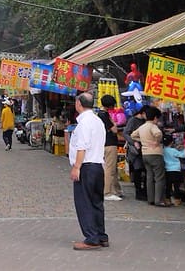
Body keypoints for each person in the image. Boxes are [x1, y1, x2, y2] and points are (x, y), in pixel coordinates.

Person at [68, 92, 108, 250]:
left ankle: (91, 238)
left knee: (84, 202)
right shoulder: (98, 121)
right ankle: (101, 235)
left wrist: (76, 167)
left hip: (86, 166)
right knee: (97, 202)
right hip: (98, 165)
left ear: (79, 103)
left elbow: (82, 146)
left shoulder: (84, 123)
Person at [131, 106, 167, 207]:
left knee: (149, 176)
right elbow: (158, 134)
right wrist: (156, 142)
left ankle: (150, 198)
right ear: (155, 118)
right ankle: (158, 200)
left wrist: (142, 140)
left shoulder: (142, 127)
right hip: (155, 153)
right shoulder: (153, 126)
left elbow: (133, 135)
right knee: (159, 177)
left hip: (145, 153)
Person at [97, 95, 123, 201]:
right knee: (110, 169)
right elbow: (114, 130)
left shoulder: (99, 114)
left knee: (113, 168)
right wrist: (115, 124)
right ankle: (107, 192)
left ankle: (117, 190)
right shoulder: (104, 115)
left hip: (104, 143)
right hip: (109, 143)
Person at [122, 107, 148, 200]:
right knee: (138, 169)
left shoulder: (146, 121)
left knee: (145, 170)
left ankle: (145, 191)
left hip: (145, 148)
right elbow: (125, 133)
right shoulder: (133, 120)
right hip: (135, 150)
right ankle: (138, 191)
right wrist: (133, 142)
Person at [162, 133, 185, 205]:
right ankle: (177, 200)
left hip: (167, 170)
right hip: (175, 170)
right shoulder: (173, 150)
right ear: (172, 142)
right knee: (176, 186)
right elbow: (182, 155)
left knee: (168, 186)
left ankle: (167, 199)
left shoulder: (163, 150)